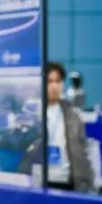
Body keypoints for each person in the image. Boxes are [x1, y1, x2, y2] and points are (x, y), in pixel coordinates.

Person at [19, 62, 95, 191]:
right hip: (37, 180)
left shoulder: (73, 115)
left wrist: (87, 181)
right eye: (49, 81)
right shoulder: (31, 113)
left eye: (58, 81)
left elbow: (82, 150)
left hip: (66, 180)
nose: (54, 86)